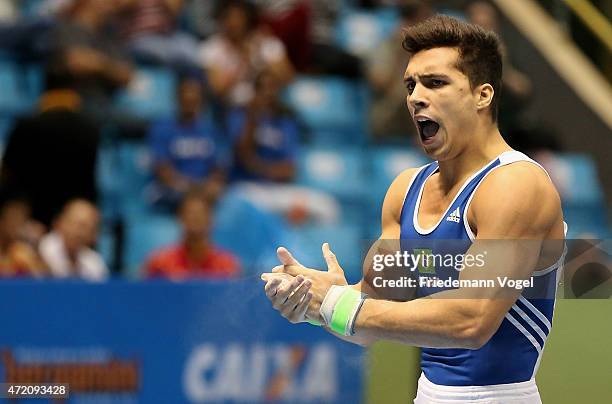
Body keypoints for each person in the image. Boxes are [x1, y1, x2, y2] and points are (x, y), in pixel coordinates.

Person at [261, 15, 566, 403]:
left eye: (435, 83)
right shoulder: (405, 191)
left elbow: (472, 320)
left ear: (482, 95)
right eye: (411, 84)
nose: (415, 96)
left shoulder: (517, 184)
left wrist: (339, 303)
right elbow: (371, 319)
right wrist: (311, 303)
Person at [147, 74, 226, 209]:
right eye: (186, 94)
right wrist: (193, 188)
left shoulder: (211, 129)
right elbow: (163, 171)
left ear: (201, 99)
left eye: (194, 95)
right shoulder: (161, 128)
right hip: (173, 190)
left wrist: (211, 185)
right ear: (177, 97)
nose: (190, 98)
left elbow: (218, 169)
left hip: (204, 191)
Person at [199, 0, 294, 108]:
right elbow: (218, 89)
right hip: (231, 110)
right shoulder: (211, 48)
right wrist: (242, 61)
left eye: (239, 18)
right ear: (222, 20)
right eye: (229, 17)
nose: (234, 23)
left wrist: (258, 57)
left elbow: (288, 78)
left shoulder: (265, 43)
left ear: (248, 20)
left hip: (267, 108)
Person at [144, 190, 240, 280]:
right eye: (190, 213)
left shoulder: (226, 265)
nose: (195, 218)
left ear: (211, 219)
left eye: (200, 214)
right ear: (180, 218)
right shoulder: (160, 263)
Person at [39, 199, 108, 281]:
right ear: (58, 222)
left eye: (86, 227)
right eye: (75, 224)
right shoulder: (42, 249)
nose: (79, 233)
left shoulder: (95, 262)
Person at [0, 191, 46, 278]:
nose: (16, 225)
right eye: (12, 218)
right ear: (2, 220)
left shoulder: (22, 252)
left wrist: (37, 247)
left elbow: (42, 279)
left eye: (20, 219)